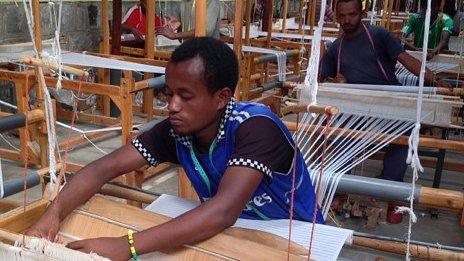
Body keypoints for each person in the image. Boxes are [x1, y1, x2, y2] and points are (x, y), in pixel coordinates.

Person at [26, 37, 323, 260]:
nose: (172, 106)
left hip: (294, 243)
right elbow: (103, 169)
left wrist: (125, 246)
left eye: (185, 96)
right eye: (169, 94)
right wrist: (52, 214)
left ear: (222, 97)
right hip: (229, 240)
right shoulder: (177, 131)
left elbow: (221, 213)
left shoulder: (256, 128)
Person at [319, 0, 448, 223]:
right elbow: (321, 78)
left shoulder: (379, 35)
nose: (346, 20)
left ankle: (391, 193)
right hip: (357, 108)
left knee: (404, 135)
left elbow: (406, 60)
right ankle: (340, 189)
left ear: (363, 13)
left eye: (352, 14)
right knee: (337, 132)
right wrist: (335, 80)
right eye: (341, 16)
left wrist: (433, 80)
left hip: (388, 103)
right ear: (336, 17)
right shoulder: (336, 48)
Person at [155, 0, 221, 40]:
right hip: (190, 51)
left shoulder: (210, 1)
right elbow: (184, 34)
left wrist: (175, 35)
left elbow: (206, 31)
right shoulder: (185, 2)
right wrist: (179, 25)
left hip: (207, 54)